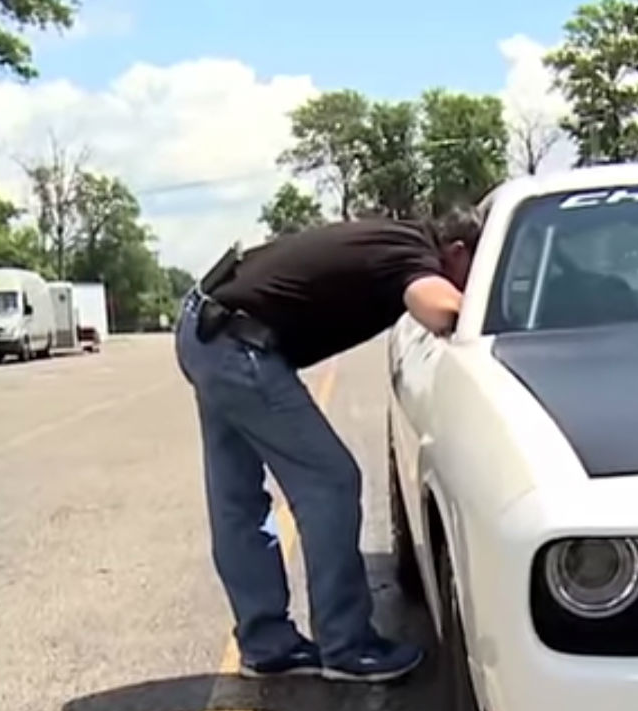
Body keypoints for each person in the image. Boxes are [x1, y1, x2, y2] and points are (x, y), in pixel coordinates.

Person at [175, 210, 479, 683]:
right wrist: (491, 309)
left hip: (206, 327)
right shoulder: (413, 253)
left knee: (236, 497)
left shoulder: (394, 235)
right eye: (474, 272)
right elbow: (440, 309)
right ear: (457, 253)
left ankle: (266, 644)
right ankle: (347, 645)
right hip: (238, 345)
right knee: (331, 481)